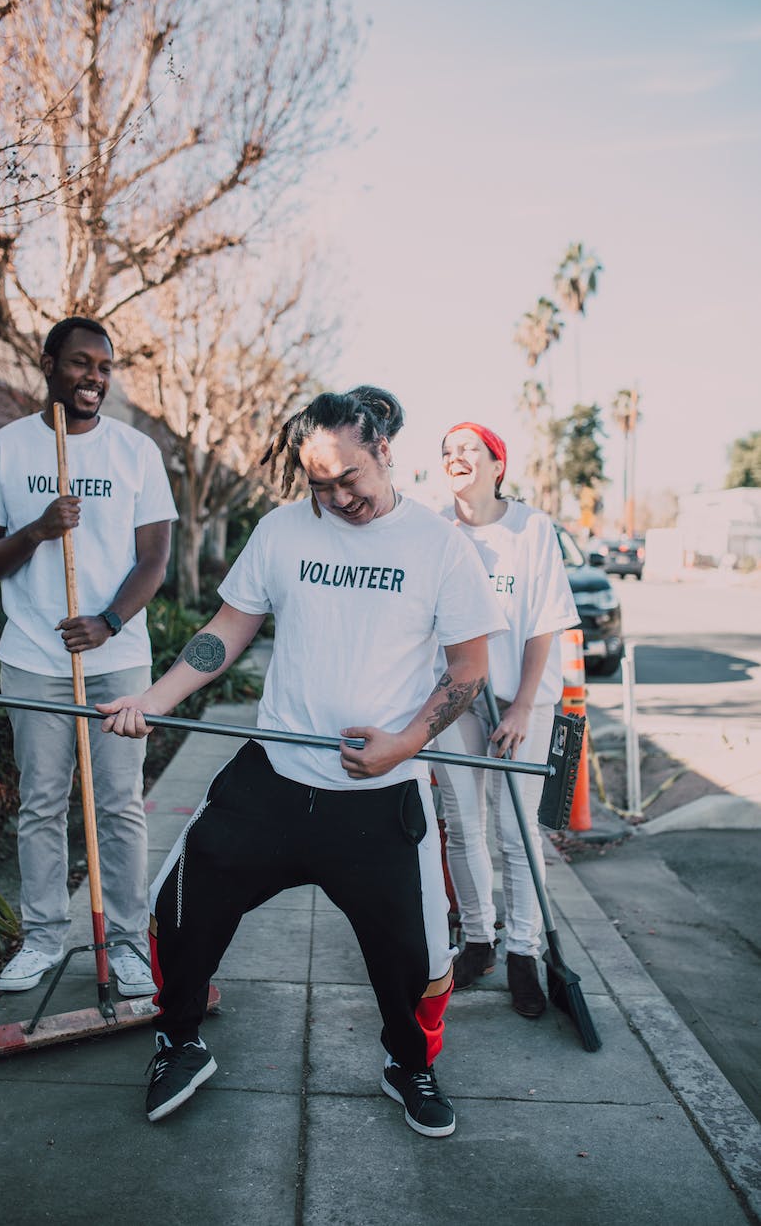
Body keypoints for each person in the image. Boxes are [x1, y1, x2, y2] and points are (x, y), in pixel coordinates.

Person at [98, 386, 507, 1137]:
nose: (336, 497)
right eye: (318, 484)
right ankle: (178, 1041)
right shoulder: (284, 530)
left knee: (414, 961)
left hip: (379, 791)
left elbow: (467, 670)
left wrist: (407, 741)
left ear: (383, 450)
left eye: (347, 478)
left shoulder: (439, 548)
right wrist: (155, 699)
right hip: (275, 777)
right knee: (178, 910)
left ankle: (407, 1063)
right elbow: (228, 628)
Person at [0, 316, 177, 998]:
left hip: (116, 658)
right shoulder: (3, 450)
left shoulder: (136, 452)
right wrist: (37, 531)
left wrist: (109, 621)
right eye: (81, 363)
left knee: (119, 805)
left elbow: (155, 559)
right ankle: (44, 938)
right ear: (49, 364)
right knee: (43, 804)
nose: (94, 378)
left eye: (104, 367)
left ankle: (128, 945)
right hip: (33, 656)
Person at [431, 422, 578, 1017]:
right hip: (456, 702)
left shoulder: (531, 529)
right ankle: (479, 940)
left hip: (522, 703)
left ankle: (523, 951)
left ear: (497, 465)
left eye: (468, 448)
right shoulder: (436, 531)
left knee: (516, 832)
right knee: (463, 828)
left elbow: (544, 619)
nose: (455, 456)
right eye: (447, 451)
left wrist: (520, 704)